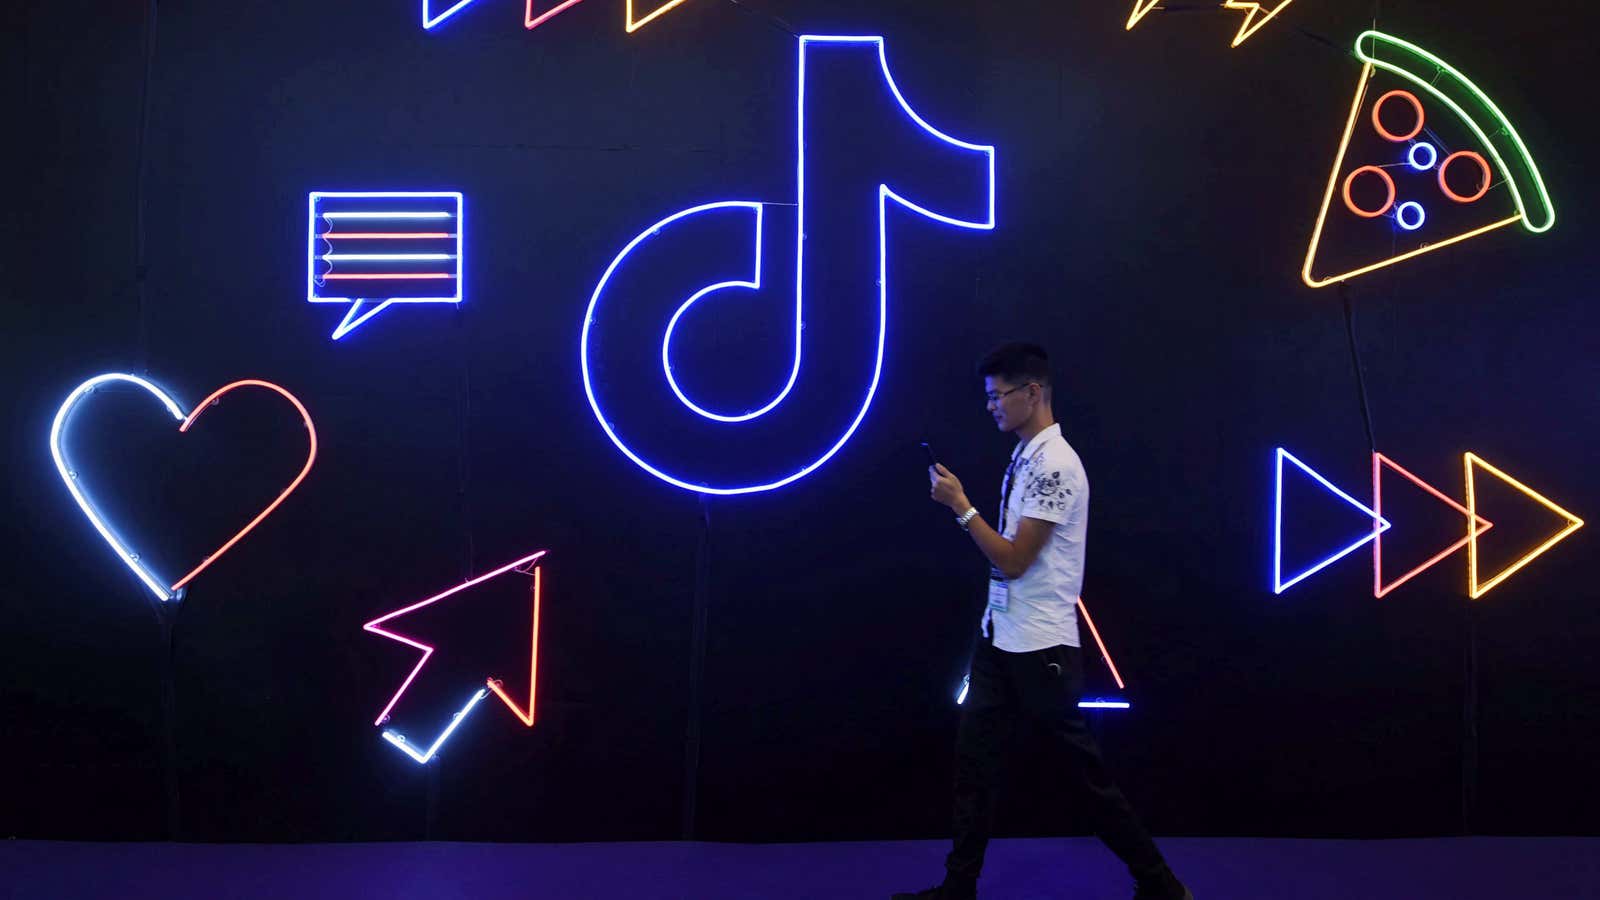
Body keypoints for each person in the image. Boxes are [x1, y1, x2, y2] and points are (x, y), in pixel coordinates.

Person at [894, 343, 1191, 900]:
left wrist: (960, 505)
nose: (990, 407)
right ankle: (958, 888)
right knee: (973, 770)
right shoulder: (1027, 454)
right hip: (1000, 637)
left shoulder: (1056, 464)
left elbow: (1013, 559)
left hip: (1040, 650)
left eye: (997, 395)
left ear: (1033, 393)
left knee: (1086, 782)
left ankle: (1163, 887)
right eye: (988, 397)